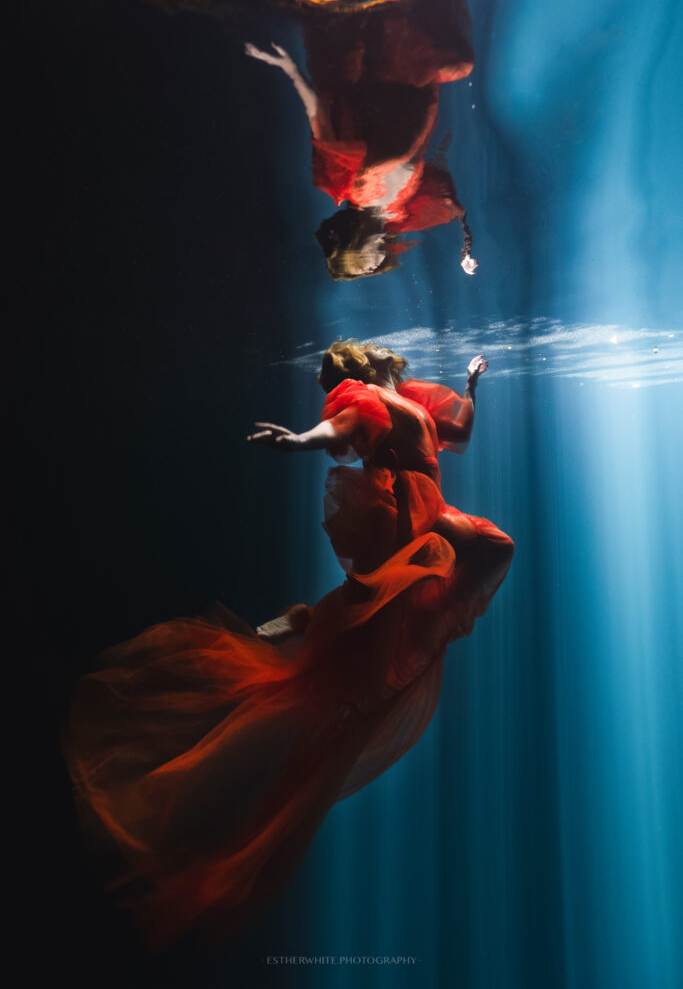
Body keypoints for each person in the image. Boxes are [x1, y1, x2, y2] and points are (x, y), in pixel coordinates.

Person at [61, 340, 513, 949]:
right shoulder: (363, 397)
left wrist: (472, 385)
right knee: (469, 560)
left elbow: (456, 433)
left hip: (424, 514)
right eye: (373, 348)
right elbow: (337, 427)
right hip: (415, 517)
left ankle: (308, 622)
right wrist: (297, 441)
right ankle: (311, 621)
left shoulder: (405, 396)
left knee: (392, 626)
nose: (386, 348)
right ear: (360, 362)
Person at [245, 0, 479, 280]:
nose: (373, 267)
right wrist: (466, 247)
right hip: (418, 84)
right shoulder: (398, 210)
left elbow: (319, 117)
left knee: (453, 54)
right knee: (459, 59)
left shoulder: (348, 183)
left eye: (365, 266)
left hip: (390, 74)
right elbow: (451, 205)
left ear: (353, 244)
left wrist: (289, 69)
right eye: (371, 269)